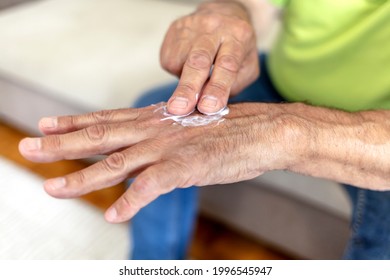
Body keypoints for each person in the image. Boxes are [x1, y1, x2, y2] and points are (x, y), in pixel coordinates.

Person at [18, 0, 390, 260]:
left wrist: (287, 132)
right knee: (156, 129)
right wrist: (228, 13)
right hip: (280, 79)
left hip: (373, 129)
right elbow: (256, 4)